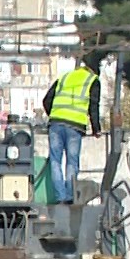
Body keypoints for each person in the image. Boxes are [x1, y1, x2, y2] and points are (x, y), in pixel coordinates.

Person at [41, 60, 100, 205]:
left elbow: (46, 100)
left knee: (55, 160)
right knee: (72, 162)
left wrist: (54, 115)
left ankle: (60, 197)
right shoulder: (92, 80)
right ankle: (70, 196)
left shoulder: (65, 77)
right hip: (75, 126)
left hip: (55, 123)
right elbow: (93, 106)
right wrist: (96, 129)